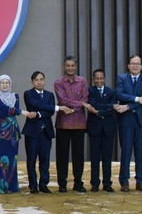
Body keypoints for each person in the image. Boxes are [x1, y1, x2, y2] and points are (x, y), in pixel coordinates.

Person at [0, 75, 33, 194]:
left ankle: (12, 186)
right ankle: (1, 187)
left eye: (7, 82)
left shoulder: (15, 96)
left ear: (10, 84)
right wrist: (20, 112)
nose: (4, 84)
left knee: (12, 160)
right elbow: (2, 107)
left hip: (13, 132)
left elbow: (7, 112)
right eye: (2, 82)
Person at [114, 55, 142, 192]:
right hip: (126, 121)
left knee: (140, 152)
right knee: (126, 152)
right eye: (132, 63)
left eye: (138, 64)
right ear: (128, 65)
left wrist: (128, 106)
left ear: (141, 66)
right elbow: (119, 94)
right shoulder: (122, 78)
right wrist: (136, 99)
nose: (135, 66)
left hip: (141, 121)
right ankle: (124, 182)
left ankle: (140, 182)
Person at [54, 56, 88, 193]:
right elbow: (63, 100)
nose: (70, 68)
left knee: (78, 156)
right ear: (64, 67)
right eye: (68, 65)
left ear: (76, 66)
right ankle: (62, 184)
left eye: (72, 65)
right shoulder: (58, 82)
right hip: (63, 123)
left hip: (79, 123)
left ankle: (78, 183)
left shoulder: (83, 81)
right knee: (62, 155)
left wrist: (74, 107)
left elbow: (85, 98)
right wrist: (79, 105)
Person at [22, 71, 59, 194]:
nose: (39, 82)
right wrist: (52, 107)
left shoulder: (50, 95)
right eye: (37, 80)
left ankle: (43, 184)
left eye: (41, 79)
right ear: (32, 81)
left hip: (46, 133)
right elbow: (34, 104)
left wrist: (38, 113)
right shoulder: (28, 94)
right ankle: (33, 185)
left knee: (45, 160)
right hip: (32, 133)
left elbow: (50, 112)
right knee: (31, 160)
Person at [83, 69, 117, 193]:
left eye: (101, 78)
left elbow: (113, 108)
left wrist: (99, 111)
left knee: (107, 158)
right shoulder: (90, 91)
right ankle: (95, 183)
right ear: (93, 79)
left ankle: (107, 184)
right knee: (95, 158)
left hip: (108, 128)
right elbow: (93, 104)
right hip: (94, 129)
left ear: (105, 79)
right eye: (96, 78)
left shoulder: (111, 92)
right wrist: (108, 107)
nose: (99, 80)